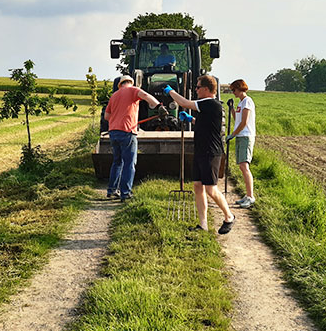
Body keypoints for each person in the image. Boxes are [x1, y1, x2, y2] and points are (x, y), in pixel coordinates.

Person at [164, 75, 235, 234]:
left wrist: (171, 92)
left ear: (206, 89)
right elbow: (205, 123)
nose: (195, 90)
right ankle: (203, 225)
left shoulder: (210, 103)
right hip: (201, 150)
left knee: (211, 189)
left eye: (197, 87)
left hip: (211, 152)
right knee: (197, 186)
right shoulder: (206, 106)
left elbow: (183, 103)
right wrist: (191, 120)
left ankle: (229, 216)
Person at [104, 75, 168, 202]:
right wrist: (158, 107)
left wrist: (118, 120)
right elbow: (146, 96)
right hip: (127, 131)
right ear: (131, 83)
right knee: (129, 163)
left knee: (117, 162)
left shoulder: (114, 95)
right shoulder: (133, 90)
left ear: (120, 84)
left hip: (113, 132)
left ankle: (111, 190)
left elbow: (107, 116)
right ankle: (125, 193)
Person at [225, 79, 256, 208]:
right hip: (240, 136)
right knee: (242, 166)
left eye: (234, 90)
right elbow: (237, 119)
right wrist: (232, 108)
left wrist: (232, 134)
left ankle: (250, 197)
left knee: (244, 166)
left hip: (246, 136)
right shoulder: (241, 103)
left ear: (240, 88)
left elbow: (244, 122)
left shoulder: (247, 101)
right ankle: (247, 195)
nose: (233, 92)